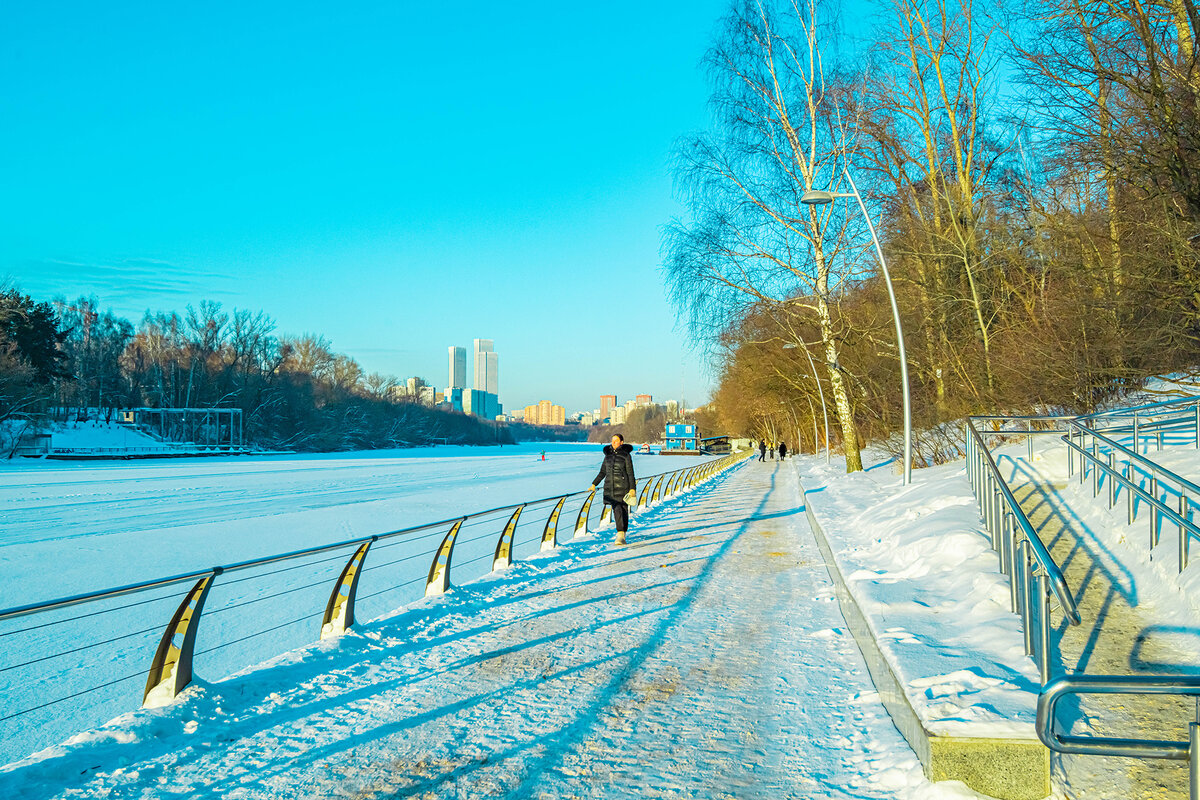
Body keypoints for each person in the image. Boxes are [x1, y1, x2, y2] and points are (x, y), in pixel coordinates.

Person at [591, 433, 637, 545]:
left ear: (622, 442)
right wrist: (594, 484)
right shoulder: (607, 456)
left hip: (623, 486)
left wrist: (632, 489)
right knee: (617, 510)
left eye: (616, 441)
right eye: (612, 441)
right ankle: (621, 534)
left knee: (623, 511)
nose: (614, 443)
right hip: (610, 487)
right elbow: (602, 472)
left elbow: (630, 473)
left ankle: (621, 535)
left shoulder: (626, 456)